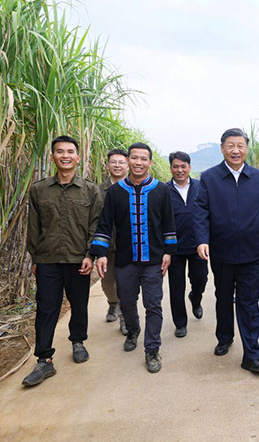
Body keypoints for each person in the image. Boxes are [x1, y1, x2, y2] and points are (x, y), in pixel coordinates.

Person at [194, 128, 259, 374]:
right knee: (223, 297)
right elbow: (201, 211)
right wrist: (202, 240)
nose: (236, 150)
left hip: (253, 253)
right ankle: (225, 337)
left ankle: (252, 355)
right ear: (222, 148)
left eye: (240, 145)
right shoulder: (209, 177)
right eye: (231, 145)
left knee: (249, 303)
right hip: (222, 253)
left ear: (247, 149)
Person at [23, 135, 103, 387]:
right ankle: (44, 359)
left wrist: (90, 255)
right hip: (47, 260)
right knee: (46, 308)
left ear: (78, 157)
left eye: (70, 152)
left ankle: (78, 341)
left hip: (78, 259)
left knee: (79, 304)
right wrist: (35, 257)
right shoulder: (39, 190)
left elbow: (95, 225)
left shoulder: (90, 190)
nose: (65, 156)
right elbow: (33, 227)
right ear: (53, 157)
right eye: (60, 151)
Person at [91, 142, 177, 373]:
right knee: (127, 302)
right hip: (125, 259)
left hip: (153, 260)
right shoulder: (116, 192)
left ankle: (152, 349)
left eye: (143, 159)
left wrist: (168, 252)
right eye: (135, 158)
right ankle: (133, 330)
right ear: (128, 160)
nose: (139, 162)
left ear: (150, 163)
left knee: (153, 304)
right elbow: (105, 224)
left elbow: (168, 223)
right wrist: (100, 253)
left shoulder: (161, 190)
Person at [167, 151, 208, 338]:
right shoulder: (164, 190)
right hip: (174, 247)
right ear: (171, 168)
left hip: (197, 244)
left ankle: (196, 298)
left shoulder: (201, 187)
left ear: (189, 167)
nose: (180, 170)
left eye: (183, 166)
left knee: (200, 279)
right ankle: (180, 323)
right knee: (176, 287)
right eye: (176, 166)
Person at [99, 148, 129, 335]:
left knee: (126, 284)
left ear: (128, 165)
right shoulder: (98, 190)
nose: (117, 166)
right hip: (107, 246)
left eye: (121, 162)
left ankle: (126, 317)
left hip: (129, 246)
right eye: (114, 162)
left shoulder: (134, 188)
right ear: (107, 164)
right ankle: (113, 303)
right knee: (108, 282)